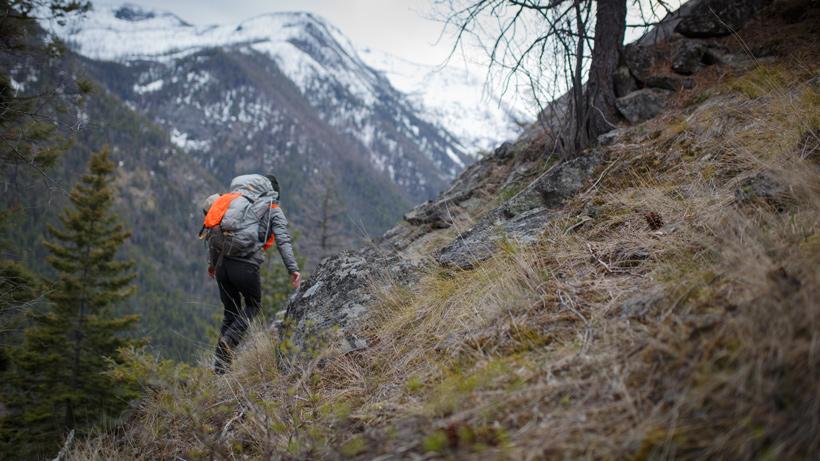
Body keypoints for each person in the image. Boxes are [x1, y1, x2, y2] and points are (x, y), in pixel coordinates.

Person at [202, 174, 301, 374]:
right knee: (253, 305)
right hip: (245, 266)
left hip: (222, 266)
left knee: (230, 313)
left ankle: (220, 369)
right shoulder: (273, 208)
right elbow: (283, 241)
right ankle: (229, 341)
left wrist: (212, 265)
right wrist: (293, 269)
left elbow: (214, 233)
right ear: (274, 193)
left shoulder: (234, 201)